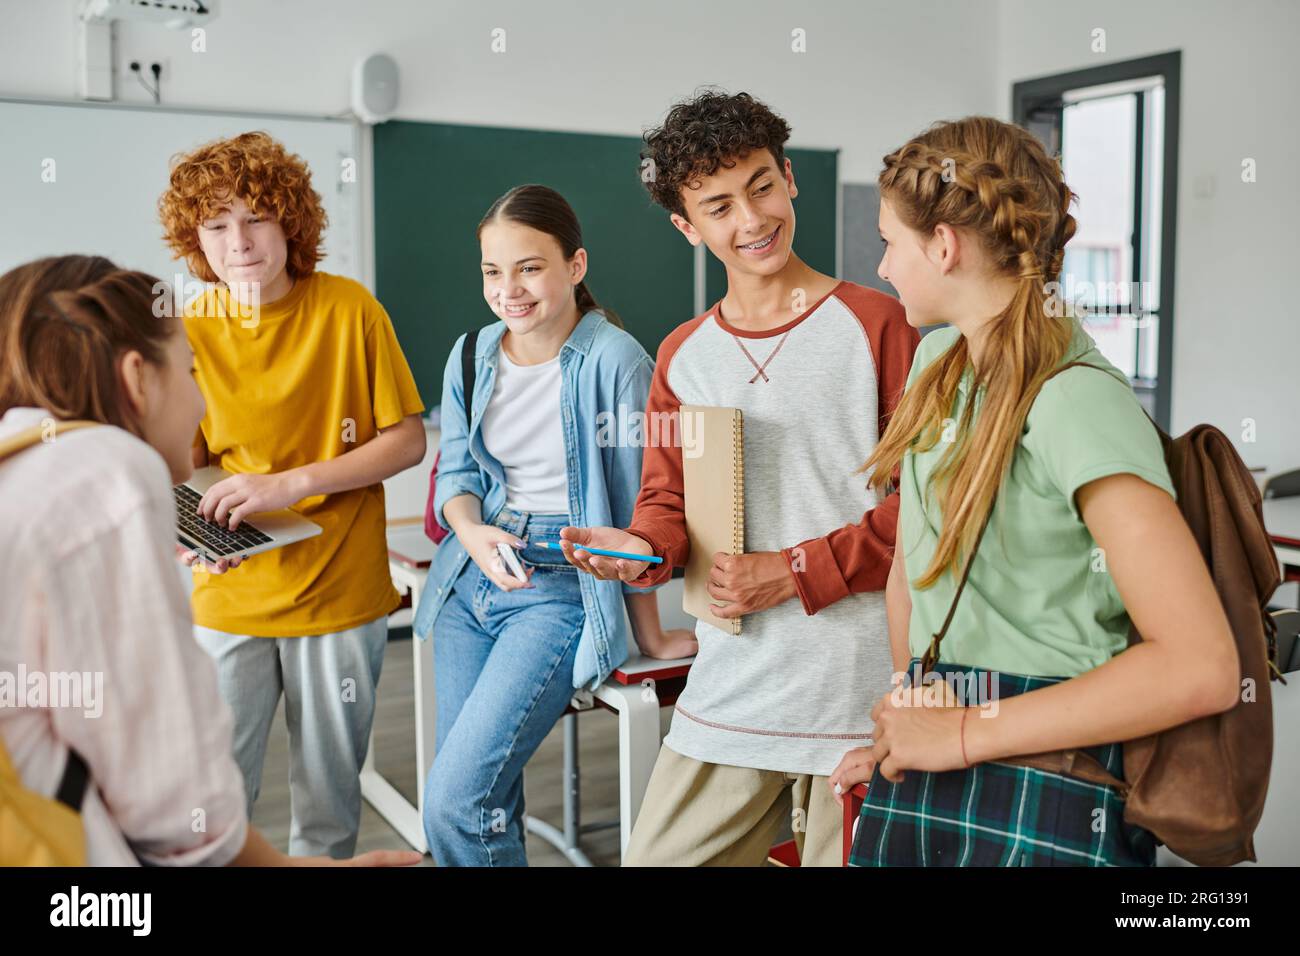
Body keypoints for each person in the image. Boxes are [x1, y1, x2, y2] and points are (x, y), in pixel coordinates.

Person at [829, 116, 1239, 866]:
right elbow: (910, 574)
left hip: (1047, 785)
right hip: (943, 753)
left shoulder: (1076, 402)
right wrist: (905, 730)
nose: (882, 267)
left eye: (890, 242)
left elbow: (1202, 666)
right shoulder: (937, 363)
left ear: (944, 246)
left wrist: (956, 734)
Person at [561, 91, 918, 866]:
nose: (750, 220)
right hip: (733, 684)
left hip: (855, 692)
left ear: (790, 178)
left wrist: (789, 574)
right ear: (687, 228)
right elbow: (667, 504)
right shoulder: (681, 354)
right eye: (718, 206)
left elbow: (924, 514)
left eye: (760, 186)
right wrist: (639, 551)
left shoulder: (881, 325)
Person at [0, 254, 420, 867]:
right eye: (192, 370)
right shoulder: (112, 471)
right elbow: (180, 819)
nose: (203, 400)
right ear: (138, 378)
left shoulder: (23, 449)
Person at [158, 131, 427, 858]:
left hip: (339, 590)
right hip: (231, 592)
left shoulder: (349, 309)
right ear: (195, 239)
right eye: (215, 226)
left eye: (255, 219)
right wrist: (193, 534)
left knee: (328, 800)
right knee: (215, 795)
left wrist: (294, 481)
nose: (237, 242)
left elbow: (406, 441)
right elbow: (188, 462)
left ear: (290, 223)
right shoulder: (187, 326)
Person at [414, 184, 695, 866]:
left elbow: (641, 506)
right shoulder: (471, 354)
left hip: (560, 585)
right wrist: (472, 531)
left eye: (529, 267)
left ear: (575, 266)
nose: (508, 289)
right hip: (473, 577)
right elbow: (454, 476)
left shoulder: (617, 361)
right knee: (482, 795)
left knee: (453, 802)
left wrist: (647, 628)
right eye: (492, 271)